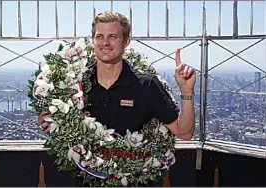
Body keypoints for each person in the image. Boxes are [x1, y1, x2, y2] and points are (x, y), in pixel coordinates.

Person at [38, 11, 196, 186]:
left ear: (126, 41)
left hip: (134, 180)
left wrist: (186, 90)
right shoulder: (75, 85)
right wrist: (53, 122)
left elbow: (184, 132)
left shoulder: (146, 85)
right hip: (84, 180)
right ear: (93, 41)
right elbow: (62, 126)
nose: (105, 42)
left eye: (113, 36)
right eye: (100, 36)